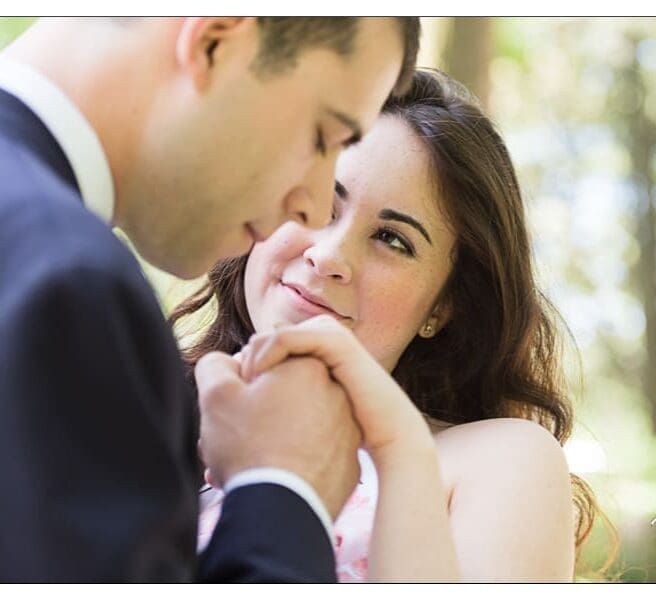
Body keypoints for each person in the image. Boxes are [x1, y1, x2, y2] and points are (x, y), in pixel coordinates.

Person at [0, 17, 419, 582]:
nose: (315, 209)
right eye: (322, 137)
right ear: (216, 42)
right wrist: (284, 488)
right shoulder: (67, 284)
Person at [172, 69, 601, 582]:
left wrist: (397, 447)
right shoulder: (146, 412)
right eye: (321, 202)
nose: (329, 255)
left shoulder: (499, 460)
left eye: (392, 240)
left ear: (443, 306)